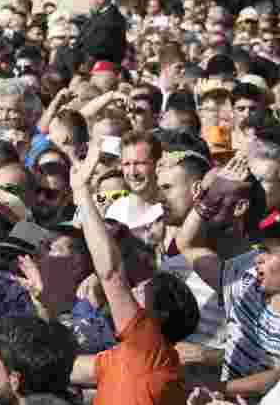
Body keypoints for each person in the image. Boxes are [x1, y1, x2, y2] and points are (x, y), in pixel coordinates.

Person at [69, 141, 200, 404]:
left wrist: (82, 191)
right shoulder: (126, 354)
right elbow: (64, 366)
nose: (134, 289)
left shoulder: (148, 345)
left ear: (156, 316)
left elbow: (111, 273)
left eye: (142, 290)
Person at [75, 0, 128, 66]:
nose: (89, 1)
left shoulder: (112, 19)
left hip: (101, 63)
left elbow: (97, 46)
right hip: (88, 58)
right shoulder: (99, 15)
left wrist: (74, 53)